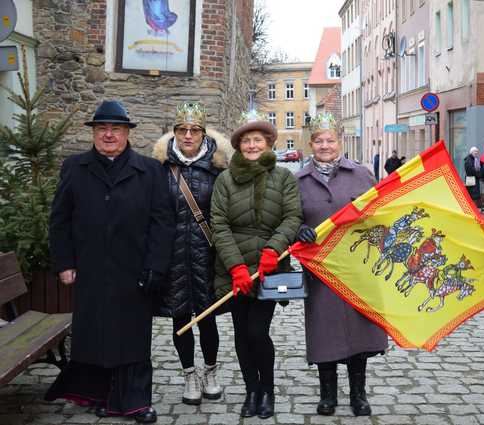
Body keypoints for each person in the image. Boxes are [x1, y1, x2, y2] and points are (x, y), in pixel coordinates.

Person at [46, 101, 175, 423]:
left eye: (115, 129)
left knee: (132, 337)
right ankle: (98, 394)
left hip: (135, 270)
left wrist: (156, 267)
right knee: (94, 334)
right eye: (101, 128)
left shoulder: (150, 170)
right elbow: (60, 219)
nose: (108, 134)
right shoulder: (75, 167)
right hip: (90, 268)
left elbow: (163, 223)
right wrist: (64, 262)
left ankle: (135, 402)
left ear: (126, 133)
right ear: (93, 132)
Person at [210, 110, 302, 419]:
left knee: (257, 332)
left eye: (257, 140)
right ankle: (251, 390)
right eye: (246, 141)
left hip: (269, 269)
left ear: (268, 143)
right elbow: (219, 224)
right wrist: (235, 267)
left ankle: (268, 391)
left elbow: (292, 217)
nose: (252, 146)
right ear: (238, 146)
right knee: (240, 332)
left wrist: (273, 251)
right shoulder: (224, 180)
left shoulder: (284, 177)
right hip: (233, 269)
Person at [295, 113, 388, 417]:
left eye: (330, 140)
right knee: (324, 331)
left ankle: (358, 395)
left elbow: (379, 216)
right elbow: (289, 219)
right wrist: (298, 231)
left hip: (357, 267)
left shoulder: (361, 175)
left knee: (358, 333)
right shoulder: (298, 181)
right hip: (321, 270)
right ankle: (327, 394)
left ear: (340, 142)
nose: (325, 145)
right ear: (311, 144)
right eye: (319, 140)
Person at [152, 102, 233, 405]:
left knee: (208, 318)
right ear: (174, 132)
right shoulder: (159, 168)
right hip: (173, 258)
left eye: (194, 130)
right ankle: (189, 375)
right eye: (182, 130)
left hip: (207, 256)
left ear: (203, 133)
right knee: (180, 318)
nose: (188, 135)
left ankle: (210, 372)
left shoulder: (218, 167)